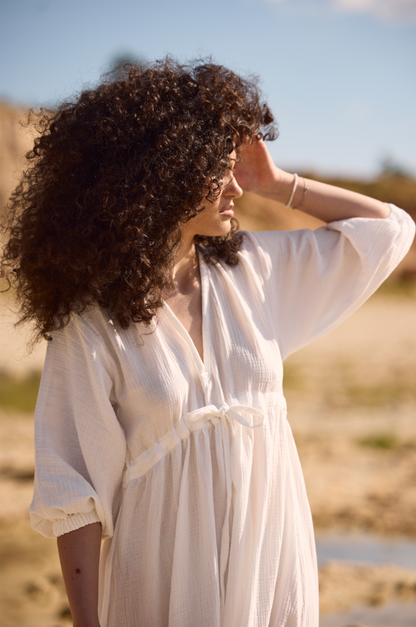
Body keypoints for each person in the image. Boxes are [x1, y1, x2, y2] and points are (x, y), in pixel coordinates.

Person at [1, 58, 414, 627]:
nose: (237, 185)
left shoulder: (253, 274)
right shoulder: (91, 322)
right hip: (163, 575)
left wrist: (280, 184)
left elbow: (390, 230)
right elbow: (74, 492)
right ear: (163, 175)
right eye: (217, 170)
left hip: (271, 559)